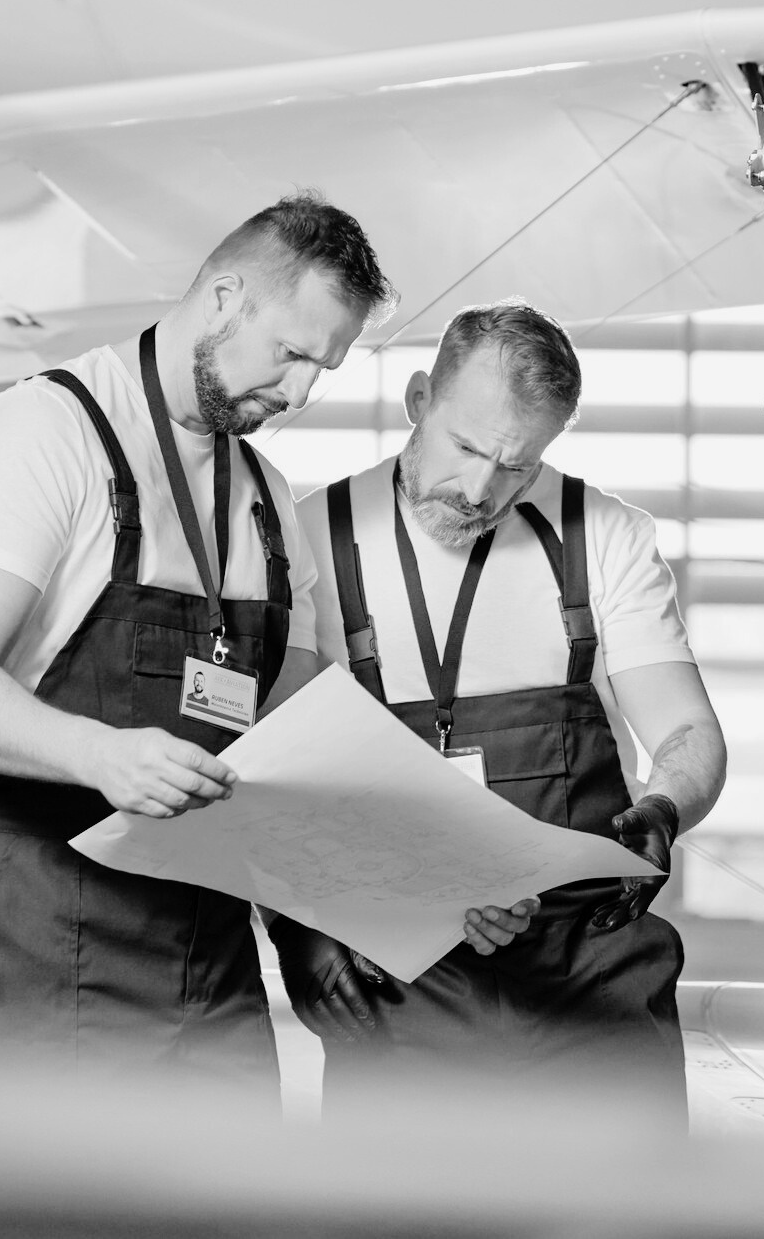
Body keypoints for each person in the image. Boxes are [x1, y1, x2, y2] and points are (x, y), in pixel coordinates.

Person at [0, 192, 395, 1099]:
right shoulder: (48, 431)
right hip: (37, 932)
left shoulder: (264, 496)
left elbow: (293, 723)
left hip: (206, 949)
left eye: (322, 369)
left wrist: (368, 898)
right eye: (290, 353)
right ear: (221, 299)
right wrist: (101, 755)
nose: (298, 393)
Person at [276, 300, 727, 1107]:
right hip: (400, 981)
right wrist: (299, 924)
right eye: (467, 448)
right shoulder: (313, 537)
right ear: (419, 400)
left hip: (593, 979)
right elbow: (280, 767)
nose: (482, 490)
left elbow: (688, 730)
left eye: (518, 466)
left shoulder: (604, 536)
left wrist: (666, 810)